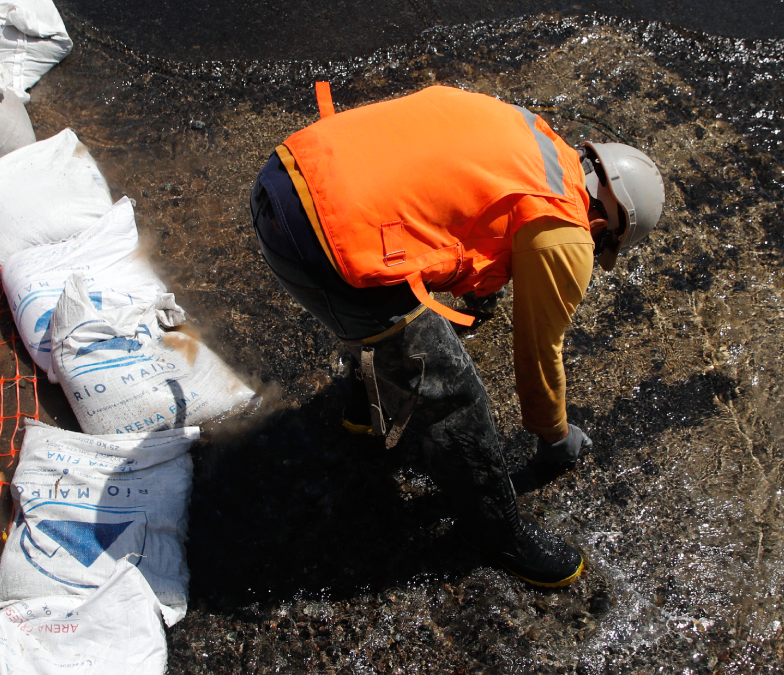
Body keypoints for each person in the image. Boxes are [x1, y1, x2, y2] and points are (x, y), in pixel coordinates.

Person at [249, 83, 665, 587]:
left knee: (388, 322)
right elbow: (538, 354)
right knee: (454, 394)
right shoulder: (567, 229)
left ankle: (364, 414)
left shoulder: (531, 135)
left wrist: (480, 289)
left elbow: (454, 199)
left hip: (289, 174)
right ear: (607, 223)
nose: (593, 248)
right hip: (323, 243)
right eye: (602, 244)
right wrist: (554, 436)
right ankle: (493, 531)